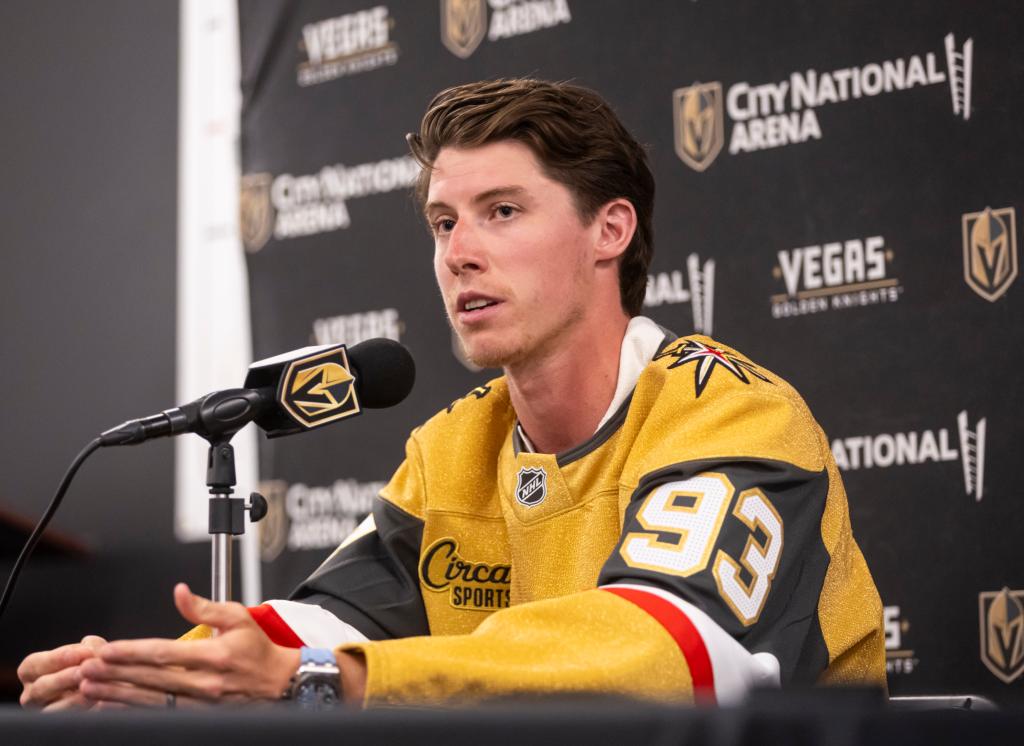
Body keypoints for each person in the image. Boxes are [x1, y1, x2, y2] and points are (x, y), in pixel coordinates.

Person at [18, 78, 885, 710]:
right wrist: (147, 679)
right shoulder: (456, 449)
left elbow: (668, 654)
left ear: (609, 229)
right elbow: (323, 624)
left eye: (502, 211)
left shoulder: (730, 412)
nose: (458, 252)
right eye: (444, 221)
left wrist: (330, 682)